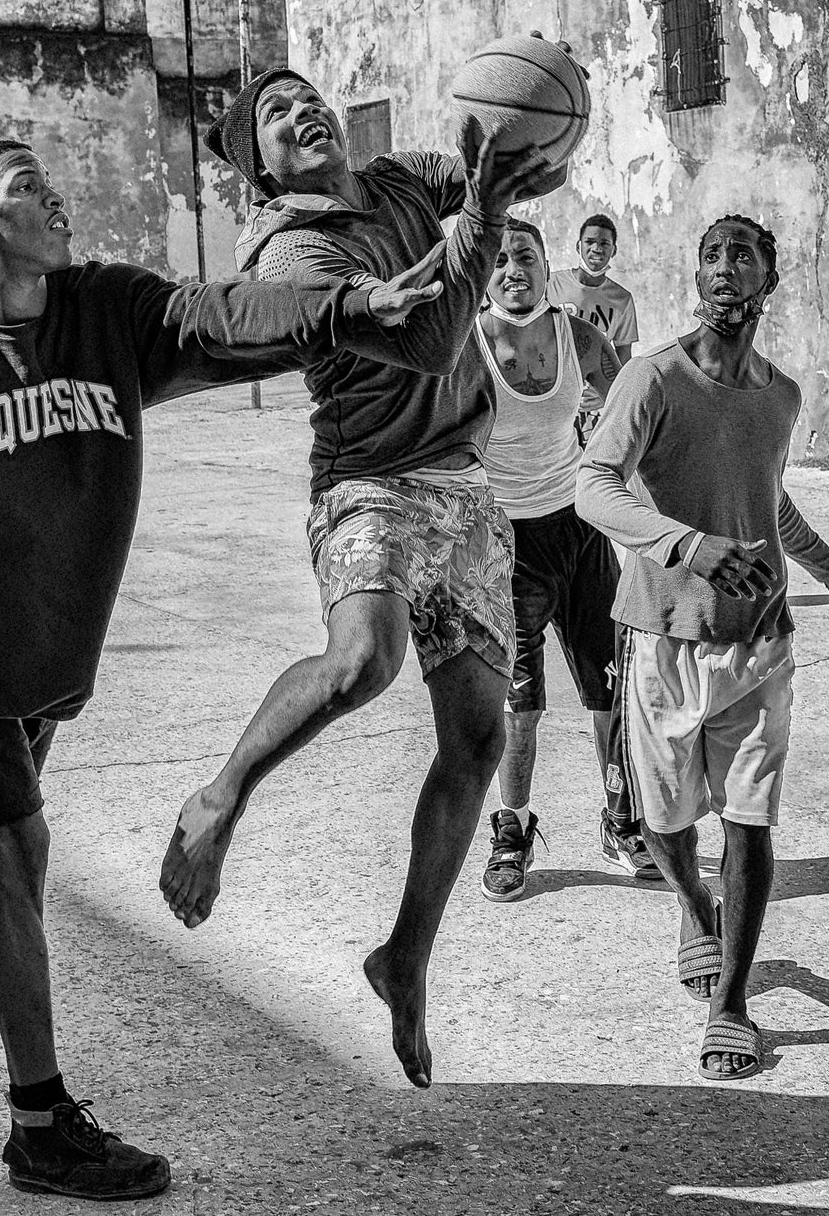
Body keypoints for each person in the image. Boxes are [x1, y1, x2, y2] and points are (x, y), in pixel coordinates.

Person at [0, 138, 484, 1202]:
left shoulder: (104, 310)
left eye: (51, 184)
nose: (55, 199)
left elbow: (225, 311)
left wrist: (350, 309)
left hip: (43, 645)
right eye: (27, 189)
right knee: (18, 839)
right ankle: (39, 1122)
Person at [160, 66, 554, 1090]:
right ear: (264, 166)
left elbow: (500, 181)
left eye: (306, 95)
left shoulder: (397, 179)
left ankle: (405, 954)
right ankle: (220, 792)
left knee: (478, 735)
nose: (303, 110)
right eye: (276, 114)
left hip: (464, 488)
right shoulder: (289, 248)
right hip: (368, 484)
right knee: (360, 660)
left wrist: (521, 151)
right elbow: (425, 336)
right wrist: (484, 208)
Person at [576, 213, 829, 1081]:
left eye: (741, 254)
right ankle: (693, 901)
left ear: (766, 281)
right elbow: (592, 488)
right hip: (661, 639)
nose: (723, 268)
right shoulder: (653, 378)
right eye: (710, 254)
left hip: (759, 644)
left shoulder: (780, 396)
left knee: (749, 819)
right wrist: (689, 544)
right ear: (697, 274)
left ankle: (733, 1003)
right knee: (666, 826)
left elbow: (768, 499)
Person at [473, 216, 659, 902]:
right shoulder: (469, 347)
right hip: (508, 547)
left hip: (579, 532)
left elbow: (634, 413)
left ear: (545, 266)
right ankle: (512, 828)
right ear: (484, 273)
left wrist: (653, 518)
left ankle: (619, 817)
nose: (512, 268)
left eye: (523, 255)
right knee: (519, 705)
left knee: (609, 690)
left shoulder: (579, 337)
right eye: (497, 259)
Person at [547, 213, 639, 364]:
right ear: (578, 246)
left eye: (604, 243)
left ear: (614, 250)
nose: (596, 248)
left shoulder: (622, 299)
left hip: (594, 383)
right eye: (589, 242)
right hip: (556, 376)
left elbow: (623, 356)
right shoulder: (550, 283)